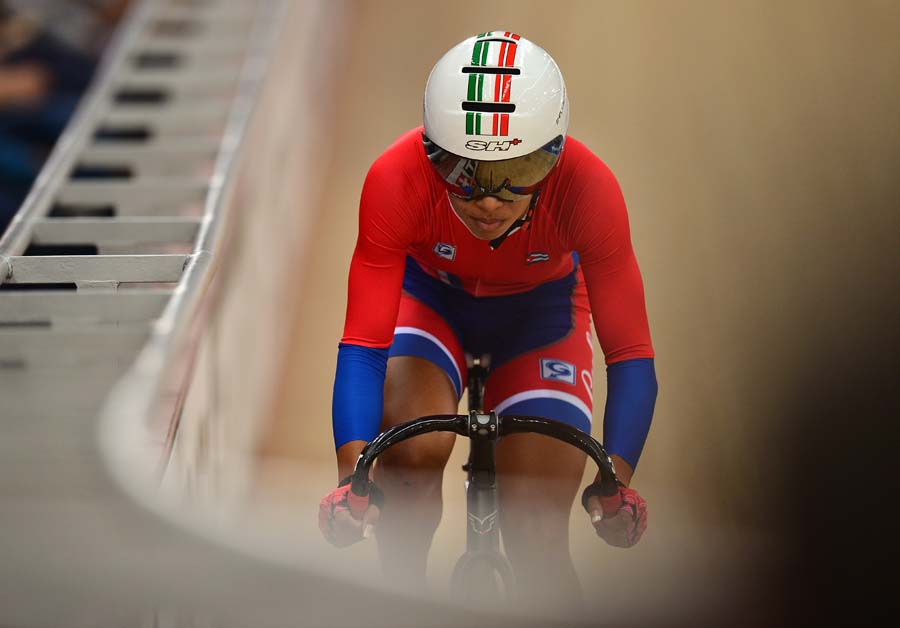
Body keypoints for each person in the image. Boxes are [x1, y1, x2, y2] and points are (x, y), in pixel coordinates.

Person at [318, 31, 657, 608]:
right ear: (430, 153)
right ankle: (399, 606)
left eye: (516, 169)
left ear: (554, 152)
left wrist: (614, 483)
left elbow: (631, 355)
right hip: (434, 303)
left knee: (537, 529)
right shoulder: (395, 179)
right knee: (407, 457)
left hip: (541, 318)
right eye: (460, 169)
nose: (489, 199)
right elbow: (363, 346)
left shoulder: (590, 189)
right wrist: (356, 478)